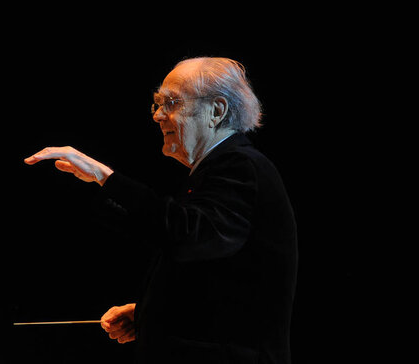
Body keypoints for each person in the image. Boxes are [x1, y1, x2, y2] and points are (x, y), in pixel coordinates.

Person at [24, 57, 297, 363]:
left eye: (170, 102)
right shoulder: (218, 169)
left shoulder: (239, 166)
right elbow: (220, 277)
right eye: (156, 104)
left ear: (217, 110)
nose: (157, 115)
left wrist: (105, 177)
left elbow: (188, 237)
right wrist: (149, 314)